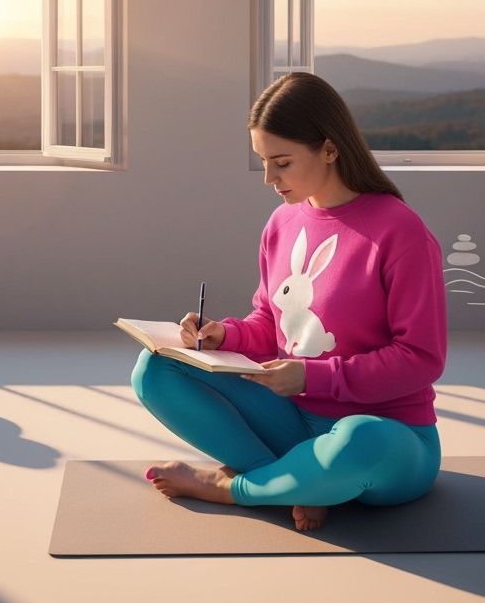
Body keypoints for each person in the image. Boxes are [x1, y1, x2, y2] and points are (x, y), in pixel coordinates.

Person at [132, 72, 447, 532]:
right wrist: (225, 334)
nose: (268, 179)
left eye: (280, 162)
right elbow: (271, 322)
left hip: (389, 438)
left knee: (358, 440)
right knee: (155, 369)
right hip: (294, 422)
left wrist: (310, 375)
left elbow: (421, 358)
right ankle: (296, 481)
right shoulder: (282, 223)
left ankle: (234, 489)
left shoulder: (400, 232)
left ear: (330, 149)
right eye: (262, 161)